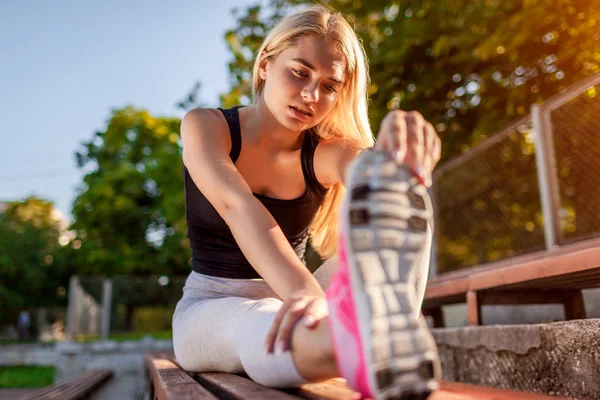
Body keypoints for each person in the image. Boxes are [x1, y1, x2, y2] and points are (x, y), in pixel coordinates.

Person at [172, 5, 442, 399]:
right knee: (262, 327)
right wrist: (311, 301)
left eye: (330, 86)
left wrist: (392, 164)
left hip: (297, 293)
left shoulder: (326, 152)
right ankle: (362, 343)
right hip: (213, 305)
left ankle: (372, 331)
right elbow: (237, 208)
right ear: (265, 64)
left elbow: (362, 167)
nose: (312, 95)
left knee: (409, 200)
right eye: (300, 72)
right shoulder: (206, 126)